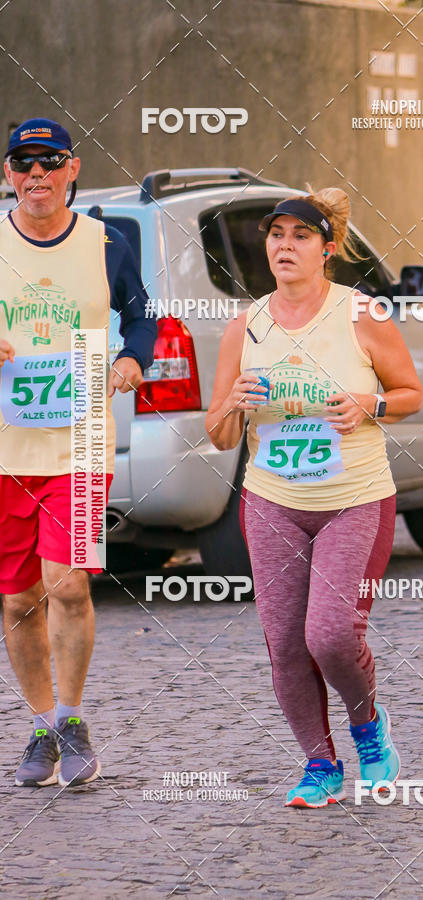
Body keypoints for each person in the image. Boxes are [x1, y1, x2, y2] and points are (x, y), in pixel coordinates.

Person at [206, 189, 423, 807]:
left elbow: (411, 393)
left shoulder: (360, 315)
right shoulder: (245, 326)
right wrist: (233, 405)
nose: (285, 246)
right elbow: (218, 433)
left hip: (354, 499)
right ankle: (320, 765)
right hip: (271, 502)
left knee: (329, 634)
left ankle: (369, 731)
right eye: (277, 235)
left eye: (301, 236)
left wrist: (369, 403)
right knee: (284, 643)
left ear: (327, 250)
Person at [0, 118, 157, 787]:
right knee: (16, 602)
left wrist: (130, 359)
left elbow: (143, 315)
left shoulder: (108, 242)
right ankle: (43, 727)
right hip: (6, 449)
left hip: (81, 439)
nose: (36, 175)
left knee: (68, 581)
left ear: (73, 168)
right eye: (21, 163)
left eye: (49, 161)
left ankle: (72, 714)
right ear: (8, 174)